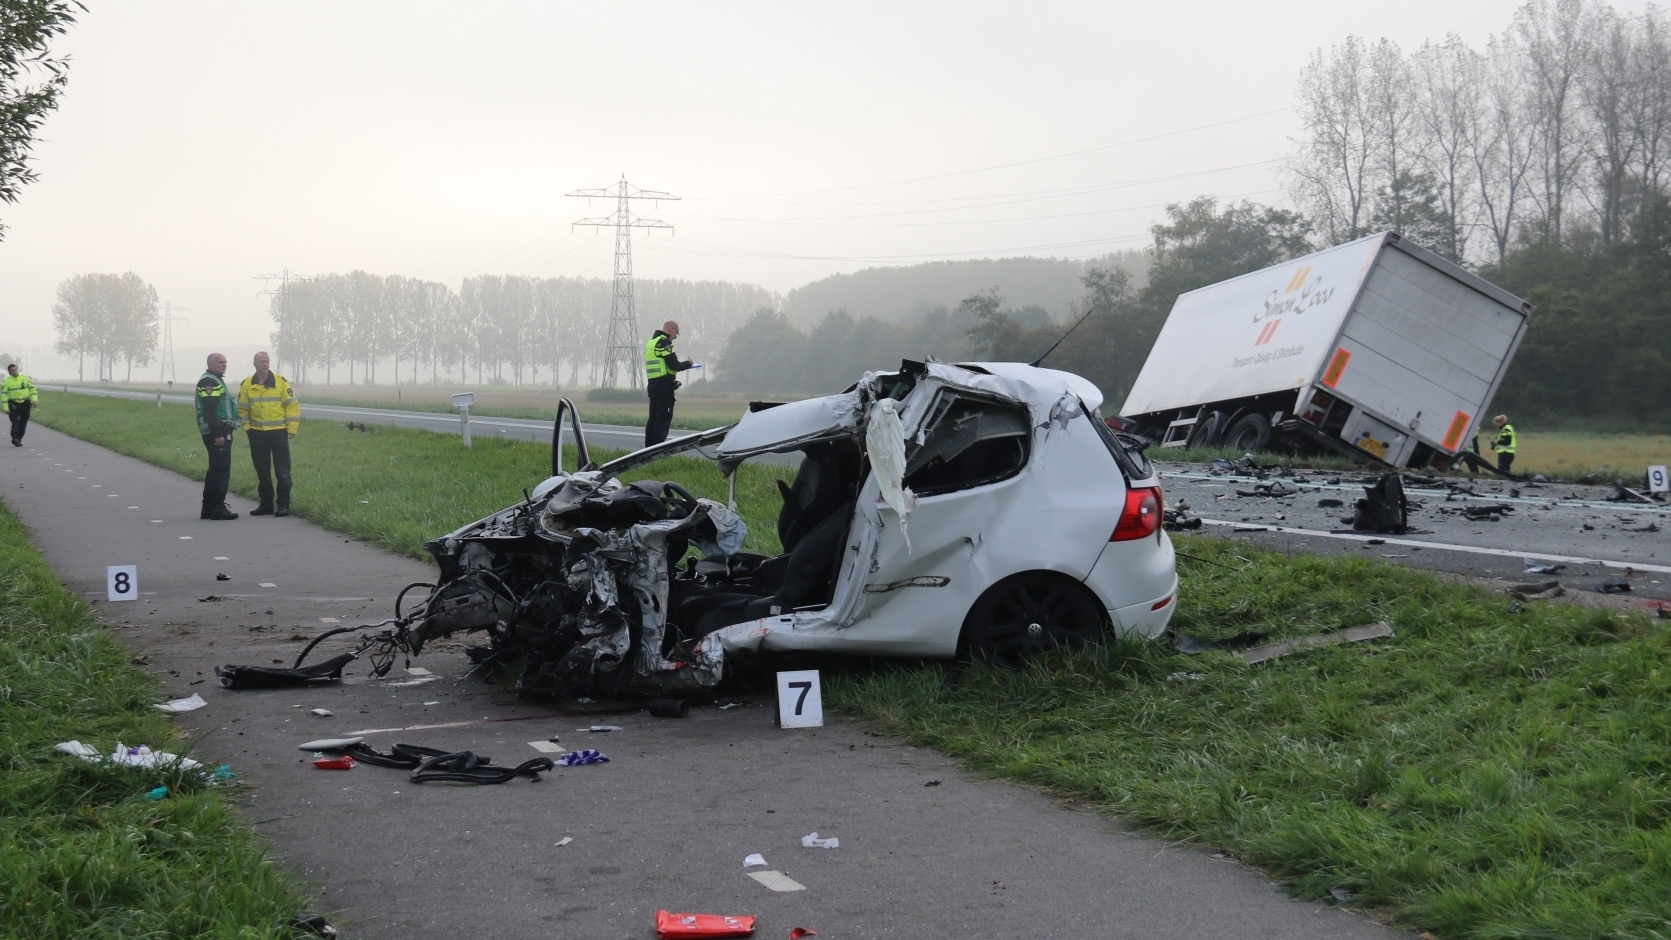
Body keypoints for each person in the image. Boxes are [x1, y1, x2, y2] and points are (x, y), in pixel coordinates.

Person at [237, 351, 300, 517]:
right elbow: (243, 408)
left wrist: (292, 428)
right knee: (262, 471)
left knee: (282, 471)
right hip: (257, 433)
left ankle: (283, 505)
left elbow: (292, 406)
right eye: (261, 361)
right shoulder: (247, 384)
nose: (265, 364)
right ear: (255, 364)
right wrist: (247, 427)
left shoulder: (281, 382)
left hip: (278, 432)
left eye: (267, 361)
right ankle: (266, 505)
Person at [195, 353, 240, 520]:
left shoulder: (216, 380)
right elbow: (209, 410)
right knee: (221, 470)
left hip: (219, 430)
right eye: (220, 362)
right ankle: (218, 507)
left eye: (225, 362)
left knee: (215, 470)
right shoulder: (209, 382)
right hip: (217, 431)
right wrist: (218, 434)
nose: (224, 365)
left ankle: (207, 508)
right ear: (210, 364)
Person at [643, 320, 699, 447]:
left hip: (652, 385)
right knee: (663, 418)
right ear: (672, 329)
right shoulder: (664, 342)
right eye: (676, 333)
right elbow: (674, 364)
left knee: (653, 418)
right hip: (664, 386)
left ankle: (647, 449)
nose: (675, 337)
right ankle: (658, 449)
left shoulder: (651, 343)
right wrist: (688, 364)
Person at [4, 362, 39, 447]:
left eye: (15, 370)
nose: (14, 371)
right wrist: (6, 408)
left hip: (25, 403)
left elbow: (32, 390)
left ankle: (19, 438)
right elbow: (4, 395)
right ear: (9, 372)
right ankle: (15, 437)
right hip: (14, 403)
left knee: (23, 421)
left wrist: (34, 400)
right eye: (12, 370)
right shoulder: (7, 381)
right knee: (14, 421)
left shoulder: (24, 378)